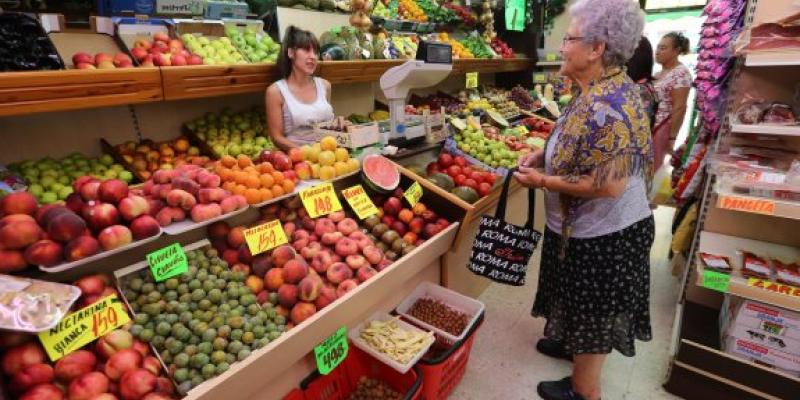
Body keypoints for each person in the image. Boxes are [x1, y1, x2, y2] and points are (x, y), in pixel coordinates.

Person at [515, 0, 655, 399]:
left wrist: (543, 180)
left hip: (607, 236)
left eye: (570, 38)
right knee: (575, 298)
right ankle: (570, 344)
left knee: (593, 313)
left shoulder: (609, 104)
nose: (562, 46)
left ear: (597, 48)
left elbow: (607, 185)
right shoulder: (602, 86)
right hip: (588, 228)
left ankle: (584, 391)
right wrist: (546, 152)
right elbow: (581, 140)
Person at [266, 26, 334, 151]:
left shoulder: (325, 86)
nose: (313, 56)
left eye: (315, 52)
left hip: (328, 159)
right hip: (296, 161)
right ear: (291, 52)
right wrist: (307, 154)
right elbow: (276, 137)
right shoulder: (275, 92)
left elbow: (326, 125)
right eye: (307, 50)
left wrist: (340, 125)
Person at [652, 31, 692, 172]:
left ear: (677, 51)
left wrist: (672, 138)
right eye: (657, 48)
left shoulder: (681, 73)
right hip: (650, 128)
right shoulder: (658, 74)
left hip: (662, 128)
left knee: (652, 169)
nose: (657, 52)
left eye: (663, 48)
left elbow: (680, 107)